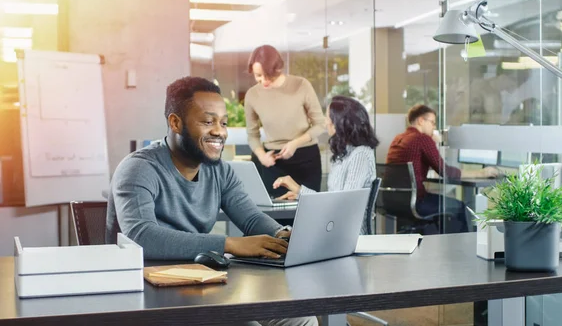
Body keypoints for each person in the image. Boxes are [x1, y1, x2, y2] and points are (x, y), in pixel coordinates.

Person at [105, 76, 317, 326]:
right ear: (175, 122)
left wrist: (283, 235)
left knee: (300, 319)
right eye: (208, 121)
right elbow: (141, 236)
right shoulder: (139, 168)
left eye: (223, 123)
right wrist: (230, 244)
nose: (219, 131)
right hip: (149, 294)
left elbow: (250, 218)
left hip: (203, 284)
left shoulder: (220, 171)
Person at [272, 96, 378, 234]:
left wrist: (299, 189)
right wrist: (299, 193)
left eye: (328, 117)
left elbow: (343, 205)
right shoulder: (342, 155)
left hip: (347, 234)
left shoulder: (360, 154)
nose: (326, 121)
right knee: (280, 235)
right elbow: (332, 201)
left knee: (284, 236)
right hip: (334, 228)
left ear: (340, 122)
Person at [386, 104, 498, 232]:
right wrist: (482, 173)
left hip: (393, 201)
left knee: (446, 205)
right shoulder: (422, 139)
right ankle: (464, 249)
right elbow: (446, 172)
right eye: (432, 122)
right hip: (416, 202)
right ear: (421, 121)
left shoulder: (398, 138)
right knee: (460, 207)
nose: (434, 127)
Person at [245, 45, 326, 198]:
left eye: (268, 76)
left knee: (307, 211)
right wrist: (262, 156)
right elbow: (252, 135)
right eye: (258, 75)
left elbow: (319, 124)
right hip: (272, 162)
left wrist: (295, 143)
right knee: (274, 216)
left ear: (278, 69)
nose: (264, 81)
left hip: (306, 159)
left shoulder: (301, 85)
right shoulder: (252, 95)